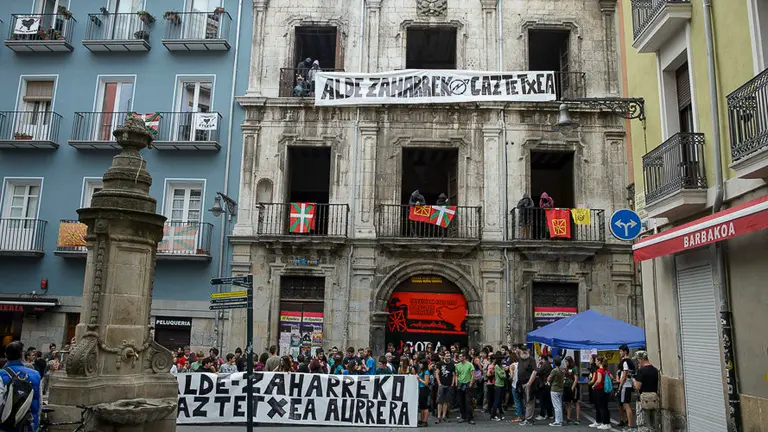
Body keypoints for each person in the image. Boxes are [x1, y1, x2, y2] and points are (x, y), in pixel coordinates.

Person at [0, 341, 42, 432]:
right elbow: (39, 401)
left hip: (5, 425)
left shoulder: (1, 374)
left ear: (6, 355)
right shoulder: (35, 374)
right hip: (28, 424)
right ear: (22, 355)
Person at [632, 351, 659, 432]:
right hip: (653, 398)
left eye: (637, 360)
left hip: (643, 399)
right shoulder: (655, 370)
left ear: (641, 359)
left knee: (643, 421)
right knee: (653, 421)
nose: (637, 362)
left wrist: (634, 380)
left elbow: (637, 386)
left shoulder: (641, 371)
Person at [518, 345, 538, 426]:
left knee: (529, 401)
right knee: (526, 401)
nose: (524, 351)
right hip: (522, 383)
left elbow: (534, 371)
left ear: (528, 350)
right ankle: (529, 418)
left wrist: (529, 383)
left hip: (528, 383)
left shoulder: (531, 359)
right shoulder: (520, 359)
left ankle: (528, 419)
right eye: (523, 350)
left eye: (525, 350)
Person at [589, 356, 611, 429]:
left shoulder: (599, 370)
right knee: (605, 407)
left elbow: (598, 380)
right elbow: (611, 377)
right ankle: (607, 423)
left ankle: (604, 423)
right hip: (605, 390)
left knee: (601, 407)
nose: (595, 362)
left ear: (599, 362)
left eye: (596, 361)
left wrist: (593, 386)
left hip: (600, 390)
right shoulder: (606, 370)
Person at [618, 344, 636, 428]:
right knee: (623, 404)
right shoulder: (628, 361)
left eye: (621, 351)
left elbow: (624, 375)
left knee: (626, 404)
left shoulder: (626, 361)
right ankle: (625, 421)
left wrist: (620, 386)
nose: (620, 353)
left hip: (626, 385)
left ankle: (629, 424)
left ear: (625, 352)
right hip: (627, 384)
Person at [455, 352, 475, 425]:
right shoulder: (458, 365)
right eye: (459, 356)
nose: (459, 358)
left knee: (468, 402)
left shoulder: (469, 364)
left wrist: (470, 383)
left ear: (464, 357)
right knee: (461, 401)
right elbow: (456, 375)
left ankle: (470, 418)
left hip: (467, 384)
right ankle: (463, 416)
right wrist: (456, 383)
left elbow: (473, 375)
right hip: (460, 384)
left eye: (461, 356)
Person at [435, 351, 455, 424]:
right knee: (440, 401)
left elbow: (453, 375)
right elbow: (437, 373)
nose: (448, 357)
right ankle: (438, 417)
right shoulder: (439, 364)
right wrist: (439, 383)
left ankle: (444, 416)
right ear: (444, 356)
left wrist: (452, 383)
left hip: (449, 385)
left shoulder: (452, 365)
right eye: (446, 356)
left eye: (449, 356)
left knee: (446, 401)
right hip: (442, 385)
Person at [548, 356, 565, 427]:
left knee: (556, 406)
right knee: (559, 405)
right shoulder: (562, 370)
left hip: (554, 389)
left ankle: (558, 421)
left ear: (554, 363)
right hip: (560, 388)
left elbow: (549, 379)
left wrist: (548, 379)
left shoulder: (554, 370)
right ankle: (560, 420)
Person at [563, 356, 581, 425]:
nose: (566, 363)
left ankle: (577, 418)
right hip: (566, 387)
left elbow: (576, 379)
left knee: (576, 402)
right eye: (565, 361)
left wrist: (572, 388)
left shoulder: (574, 368)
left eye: (567, 361)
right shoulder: (566, 369)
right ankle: (568, 418)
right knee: (568, 402)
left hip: (573, 387)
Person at [491, 353, 507, 421]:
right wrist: (504, 373)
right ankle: (493, 416)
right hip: (498, 385)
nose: (504, 360)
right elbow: (502, 376)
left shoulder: (501, 366)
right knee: (496, 401)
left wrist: (503, 372)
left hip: (502, 385)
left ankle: (499, 415)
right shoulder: (497, 366)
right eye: (503, 359)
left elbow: (503, 375)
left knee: (500, 401)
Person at [416, 359, 431, 427]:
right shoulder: (421, 371)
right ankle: (421, 419)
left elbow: (426, 382)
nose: (419, 365)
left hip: (424, 389)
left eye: (421, 364)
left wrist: (419, 379)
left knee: (425, 406)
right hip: (420, 388)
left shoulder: (426, 372)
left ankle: (425, 420)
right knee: (421, 405)